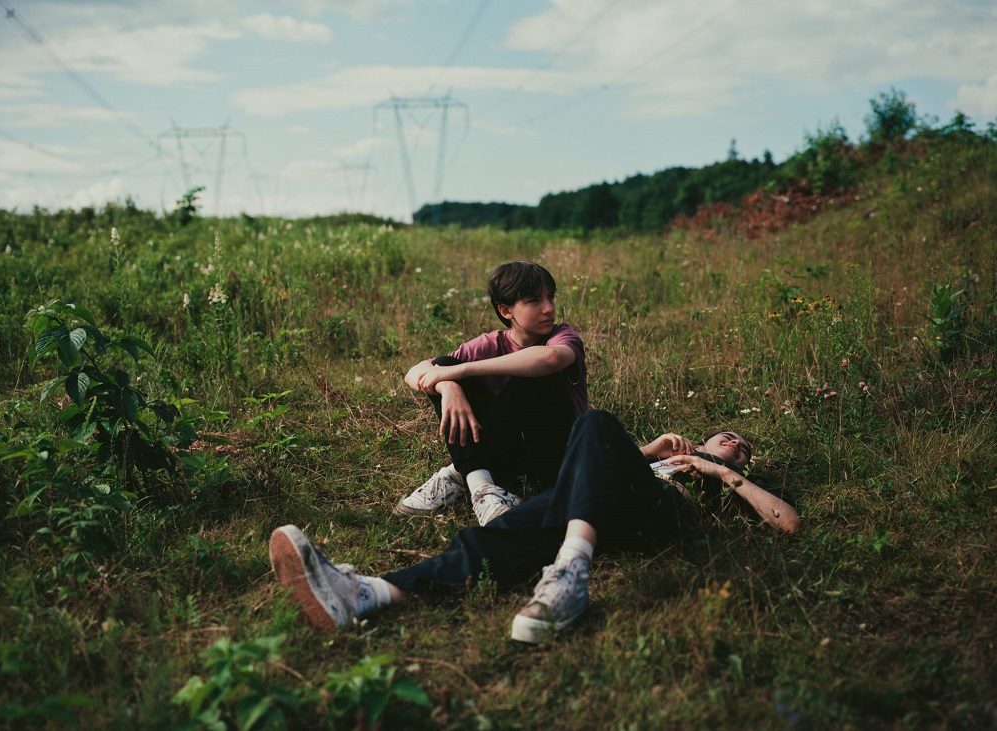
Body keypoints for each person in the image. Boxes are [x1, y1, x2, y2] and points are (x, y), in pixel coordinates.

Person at [269, 410, 800, 644]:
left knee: (594, 423)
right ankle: (368, 594)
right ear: (705, 436)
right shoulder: (667, 456)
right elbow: (596, 465)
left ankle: (570, 572)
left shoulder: (727, 480)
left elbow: (789, 524)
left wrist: (722, 473)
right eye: (728, 436)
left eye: (743, 446)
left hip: (663, 515)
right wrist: (651, 451)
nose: (735, 441)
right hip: (601, 508)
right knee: (503, 534)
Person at [396, 261, 587, 525]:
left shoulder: (563, 336)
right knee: (444, 365)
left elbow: (551, 359)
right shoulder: (491, 342)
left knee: (531, 376)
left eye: (550, 297)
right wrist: (448, 386)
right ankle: (482, 488)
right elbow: (415, 373)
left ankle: (461, 473)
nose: (548, 308)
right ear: (505, 310)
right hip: (509, 457)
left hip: (559, 456)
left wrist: (461, 371)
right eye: (534, 300)